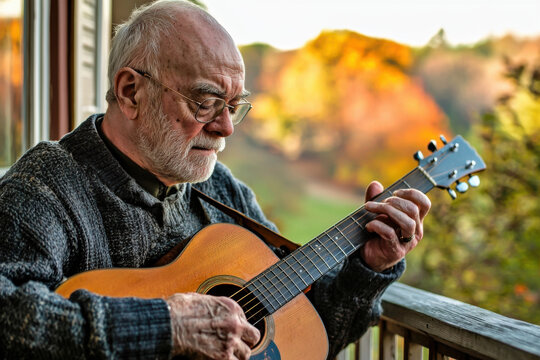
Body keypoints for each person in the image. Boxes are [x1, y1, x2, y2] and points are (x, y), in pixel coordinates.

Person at [0, 1, 431, 359]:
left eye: (235, 106)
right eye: (205, 103)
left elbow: (306, 337)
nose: (225, 127)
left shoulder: (223, 191)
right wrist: (166, 327)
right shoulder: (46, 186)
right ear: (131, 92)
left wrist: (370, 266)